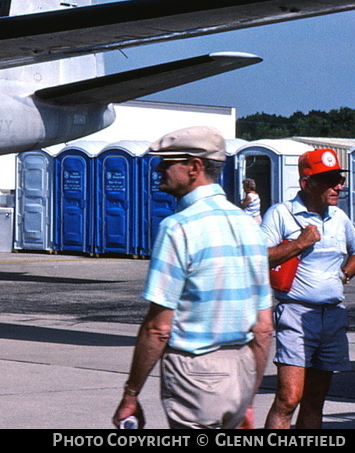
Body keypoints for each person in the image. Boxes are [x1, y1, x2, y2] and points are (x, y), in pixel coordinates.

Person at [112, 126, 272, 429]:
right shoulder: (249, 226)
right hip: (241, 368)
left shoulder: (178, 228)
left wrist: (131, 395)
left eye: (168, 162)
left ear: (194, 167)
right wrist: (249, 397)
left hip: (195, 371)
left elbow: (159, 328)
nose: (159, 168)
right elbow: (263, 328)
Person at [260, 148, 355, 430]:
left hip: (332, 316)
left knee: (315, 401)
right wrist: (299, 244)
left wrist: (345, 273)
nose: (338, 185)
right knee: (289, 398)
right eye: (329, 179)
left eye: (339, 178)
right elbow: (257, 256)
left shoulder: (339, 217)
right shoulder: (281, 213)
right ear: (306, 183)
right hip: (295, 315)